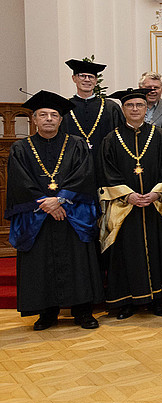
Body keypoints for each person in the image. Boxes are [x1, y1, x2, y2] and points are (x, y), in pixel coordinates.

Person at [6, 91, 102, 330]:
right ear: (34, 120)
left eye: (53, 115)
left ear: (61, 119)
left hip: (72, 213)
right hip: (36, 215)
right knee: (40, 263)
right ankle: (47, 313)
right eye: (43, 115)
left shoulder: (76, 144)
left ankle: (83, 312)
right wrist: (45, 203)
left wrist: (61, 199)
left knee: (78, 261)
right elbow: (19, 181)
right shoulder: (21, 148)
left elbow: (85, 174)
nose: (49, 119)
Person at [100, 88, 162, 319]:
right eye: (130, 106)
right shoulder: (111, 139)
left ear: (147, 109)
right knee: (126, 253)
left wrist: (156, 193)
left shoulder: (161, 136)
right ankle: (126, 302)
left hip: (156, 205)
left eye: (140, 106)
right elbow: (107, 172)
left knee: (158, 250)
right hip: (125, 207)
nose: (135, 109)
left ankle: (157, 300)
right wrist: (128, 195)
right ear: (123, 109)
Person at [62, 58, 124, 182]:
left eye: (91, 77)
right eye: (82, 76)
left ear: (96, 81)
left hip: (105, 166)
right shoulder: (64, 107)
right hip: (72, 167)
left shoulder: (110, 107)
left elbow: (120, 138)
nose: (87, 79)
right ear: (74, 78)